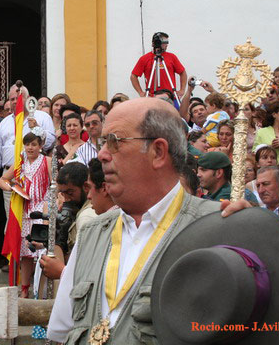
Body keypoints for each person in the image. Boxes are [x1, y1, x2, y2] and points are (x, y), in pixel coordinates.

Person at [47, 97, 221, 344]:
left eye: (114, 142)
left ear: (158, 152)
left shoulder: (214, 228)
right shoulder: (92, 233)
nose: (102, 154)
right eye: (102, 143)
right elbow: (63, 331)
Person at [0, 129, 52, 297]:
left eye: (34, 144)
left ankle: (42, 290)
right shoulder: (20, 162)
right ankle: (24, 289)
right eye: (27, 144)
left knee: (42, 251)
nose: (30, 148)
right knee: (26, 254)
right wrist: (12, 188)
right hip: (24, 211)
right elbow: (2, 180)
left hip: (42, 210)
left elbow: (55, 185)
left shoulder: (47, 161)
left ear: (41, 145)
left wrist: (51, 206)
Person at [0, 83, 55, 215]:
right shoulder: (5, 122)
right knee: (12, 218)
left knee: (35, 215)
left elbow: (50, 142)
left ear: (28, 98)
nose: (16, 101)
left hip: (35, 174)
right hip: (11, 176)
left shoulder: (42, 117)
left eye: (19, 97)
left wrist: (37, 128)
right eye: (12, 99)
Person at [130, 32, 187, 99]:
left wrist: (182, 90)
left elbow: (182, 72)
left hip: (170, 97)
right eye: (164, 42)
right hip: (152, 97)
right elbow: (133, 76)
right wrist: (141, 92)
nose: (167, 45)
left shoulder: (172, 57)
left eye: (167, 42)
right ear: (154, 43)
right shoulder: (145, 58)